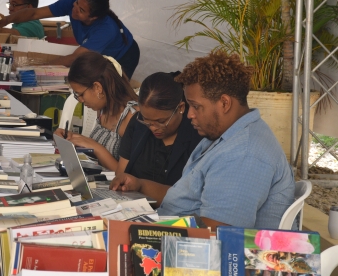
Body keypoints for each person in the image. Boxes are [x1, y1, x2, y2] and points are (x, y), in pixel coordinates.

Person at [111, 51, 295, 230]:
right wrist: (140, 185)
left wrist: (148, 231)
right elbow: (186, 199)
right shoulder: (225, 136)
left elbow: (218, 231)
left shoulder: (243, 154)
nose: (190, 114)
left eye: (196, 107)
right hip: (177, 229)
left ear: (224, 103)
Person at [0, 0, 140, 77]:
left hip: (124, 56)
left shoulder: (106, 29)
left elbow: (74, 58)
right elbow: (34, 13)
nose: (75, 9)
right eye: (77, 3)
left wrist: (37, 69)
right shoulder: (72, 3)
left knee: (116, 93)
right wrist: (6, 20)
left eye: (81, 10)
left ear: (93, 17)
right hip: (101, 54)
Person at [54, 52, 139, 171]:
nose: (80, 100)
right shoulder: (103, 109)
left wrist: (95, 148)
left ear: (97, 88)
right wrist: (73, 137)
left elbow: (125, 176)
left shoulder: (132, 117)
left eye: (81, 94)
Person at [117, 72, 202, 185]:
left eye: (161, 121)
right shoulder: (138, 125)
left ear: (180, 108)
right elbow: (121, 175)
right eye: (146, 119)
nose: (153, 128)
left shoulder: (197, 137)